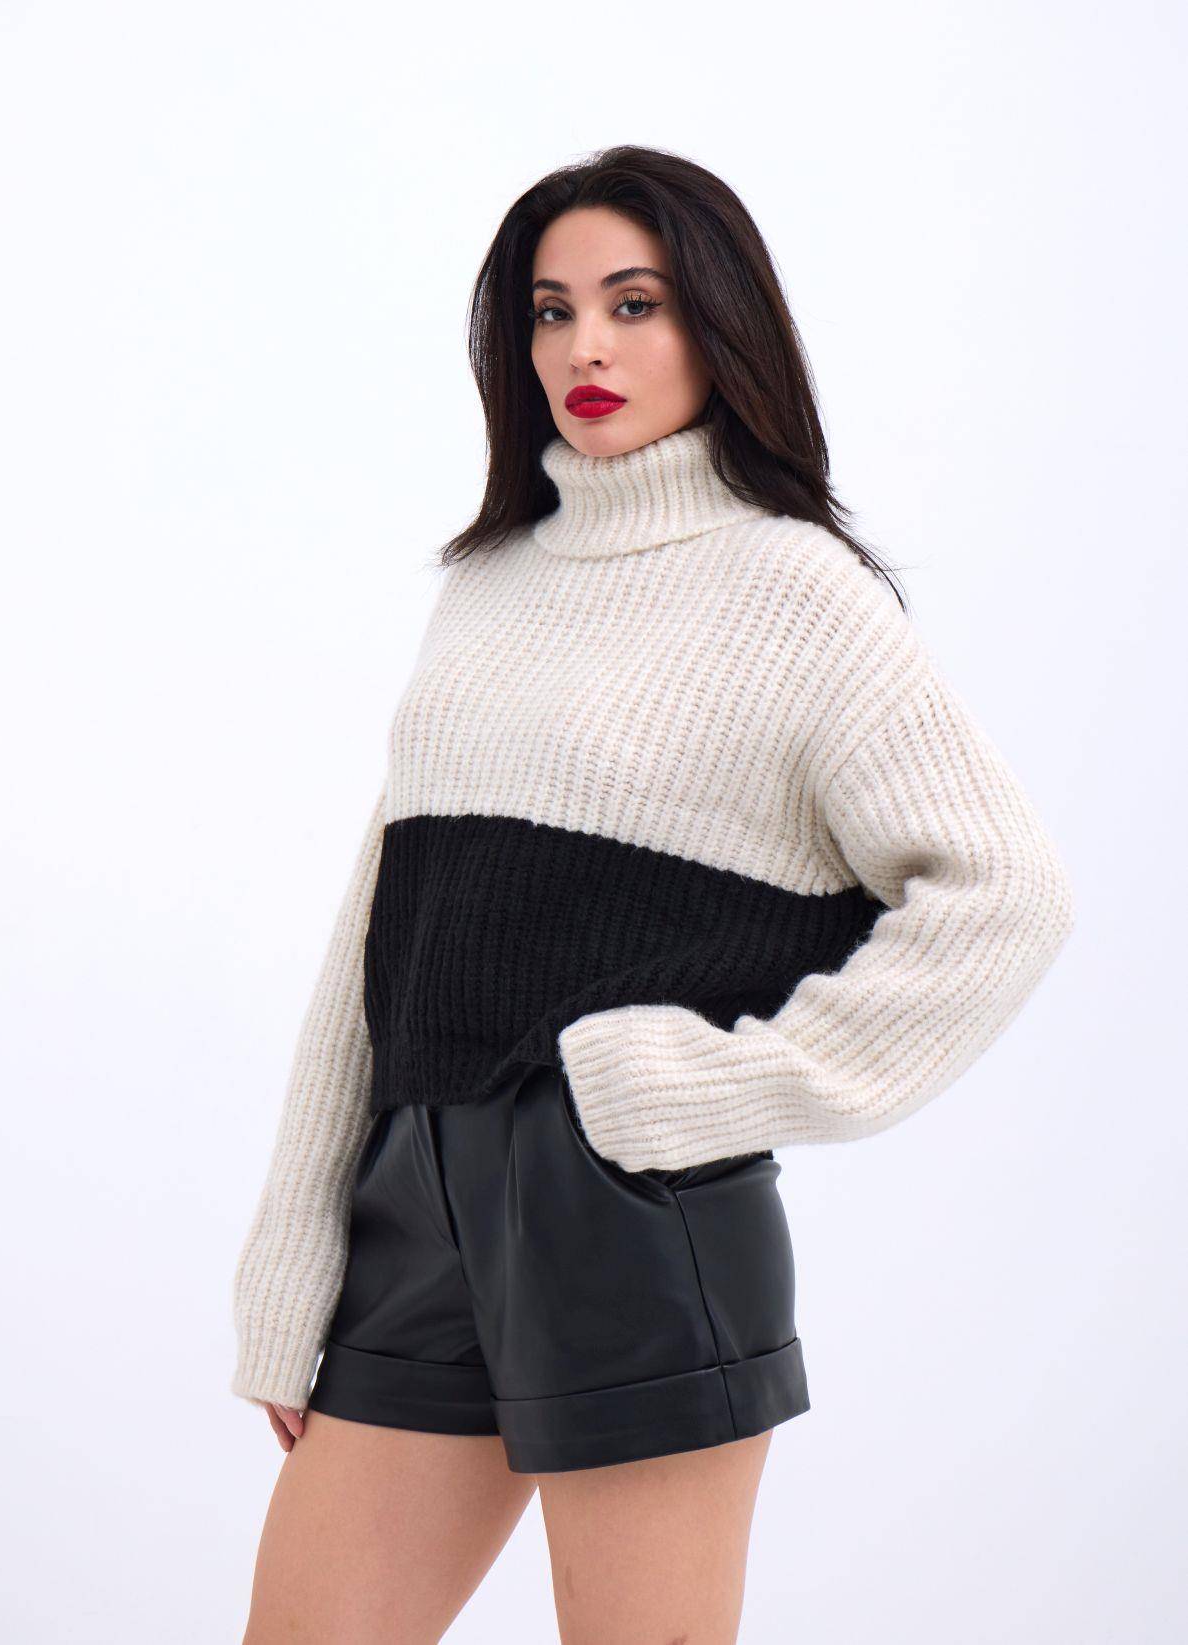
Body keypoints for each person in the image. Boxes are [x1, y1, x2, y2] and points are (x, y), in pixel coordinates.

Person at [230, 144, 1075, 1644]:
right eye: (550, 312)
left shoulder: (796, 593)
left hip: (625, 1206)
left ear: (721, 324)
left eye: (635, 303)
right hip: (416, 1201)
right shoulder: (489, 583)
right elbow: (382, 936)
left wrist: (725, 1083)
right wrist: (295, 1254)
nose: (586, 349)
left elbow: (1003, 890)